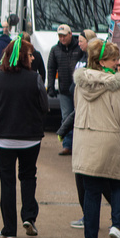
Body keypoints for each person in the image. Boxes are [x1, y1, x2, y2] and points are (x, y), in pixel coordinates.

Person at [72, 39, 120, 238]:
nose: (117, 64)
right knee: (119, 183)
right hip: (111, 141)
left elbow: (77, 109)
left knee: (91, 191)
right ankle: (116, 226)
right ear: (102, 62)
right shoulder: (115, 85)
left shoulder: (80, 84)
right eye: (113, 60)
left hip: (86, 142)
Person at [0, 36, 49, 238]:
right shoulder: (35, 79)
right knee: (28, 176)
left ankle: (9, 228)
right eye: (30, 55)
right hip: (30, 137)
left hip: (3, 137)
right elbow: (44, 106)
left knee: (7, 182)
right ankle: (29, 217)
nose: (32, 58)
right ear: (23, 57)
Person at [47, 24, 84, 156]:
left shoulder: (79, 49)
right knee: (66, 117)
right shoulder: (55, 50)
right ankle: (67, 145)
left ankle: (79, 145)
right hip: (63, 90)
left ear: (70, 34)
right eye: (60, 36)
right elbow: (51, 68)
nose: (62, 38)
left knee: (79, 117)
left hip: (78, 89)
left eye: (64, 36)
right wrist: (50, 86)